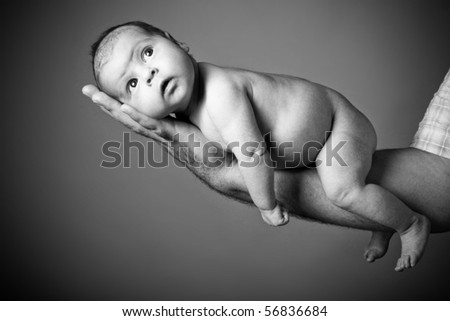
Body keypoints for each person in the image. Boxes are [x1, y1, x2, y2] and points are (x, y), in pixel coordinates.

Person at [86, 21, 441, 271]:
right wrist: (179, 137)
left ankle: (410, 224)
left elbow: (251, 153)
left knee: (343, 191)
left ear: (175, 42)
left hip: (338, 126)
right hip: (314, 147)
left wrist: (266, 205)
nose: (147, 74)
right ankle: (382, 220)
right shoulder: (190, 114)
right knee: (356, 188)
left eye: (147, 53)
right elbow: (216, 156)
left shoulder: (220, 91)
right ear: (132, 110)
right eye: (131, 83)